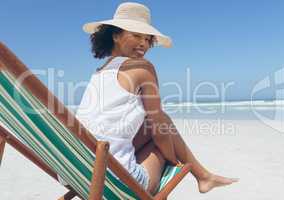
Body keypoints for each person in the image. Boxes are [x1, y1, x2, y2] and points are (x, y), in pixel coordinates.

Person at [77, 2, 238, 195]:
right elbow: (160, 131)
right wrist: (173, 162)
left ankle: (204, 176)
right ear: (116, 35)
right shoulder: (142, 67)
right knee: (162, 134)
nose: (143, 43)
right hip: (117, 182)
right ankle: (203, 176)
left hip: (80, 170)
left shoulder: (100, 72)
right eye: (136, 35)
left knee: (159, 122)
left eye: (147, 38)